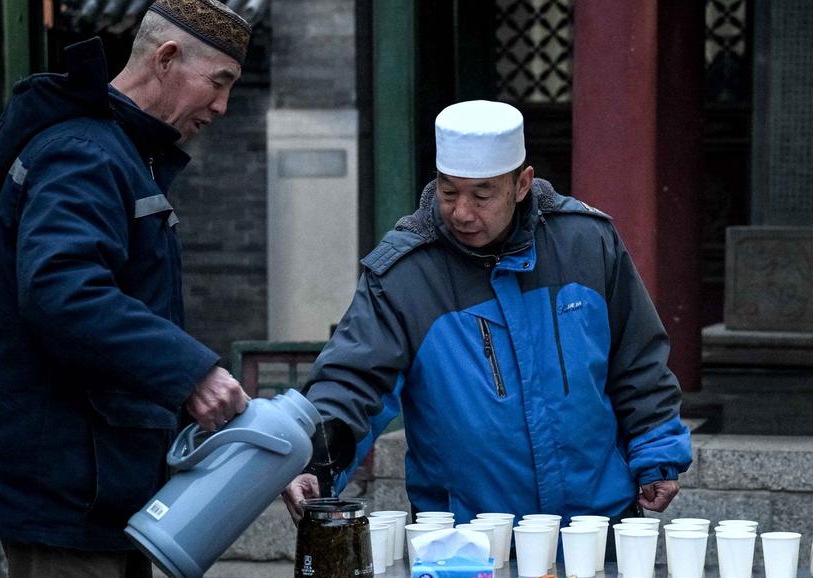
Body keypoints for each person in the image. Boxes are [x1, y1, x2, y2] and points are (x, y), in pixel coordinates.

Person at [0, 2, 252, 578]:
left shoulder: (124, 154)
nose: (222, 107)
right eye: (219, 82)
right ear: (166, 59)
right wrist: (191, 371)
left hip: (105, 481)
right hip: (59, 478)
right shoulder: (84, 151)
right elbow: (63, 292)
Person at [282, 100, 692, 525]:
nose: (462, 212)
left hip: (592, 526)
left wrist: (657, 453)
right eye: (448, 192)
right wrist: (314, 463)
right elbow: (353, 378)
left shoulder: (586, 243)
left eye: (481, 195)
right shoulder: (405, 275)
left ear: (522, 184)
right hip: (465, 535)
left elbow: (637, 357)